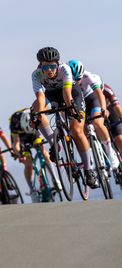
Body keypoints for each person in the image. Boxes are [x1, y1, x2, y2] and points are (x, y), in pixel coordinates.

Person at [31, 47, 98, 188]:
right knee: (37, 108)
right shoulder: (36, 75)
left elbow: (67, 94)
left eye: (52, 66)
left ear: (58, 64)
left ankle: (89, 171)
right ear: (40, 66)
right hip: (52, 95)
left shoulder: (65, 69)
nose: (49, 70)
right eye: (45, 66)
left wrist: (73, 111)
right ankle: (54, 144)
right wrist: (38, 115)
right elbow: (41, 97)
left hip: (72, 94)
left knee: (77, 132)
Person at [67, 61, 119, 169]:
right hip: (78, 102)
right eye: (74, 79)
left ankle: (110, 152)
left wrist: (103, 108)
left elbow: (99, 93)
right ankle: (90, 158)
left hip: (91, 99)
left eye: (79, 78)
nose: (78, 82)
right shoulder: (65, 79)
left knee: (98, 123)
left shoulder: (87, 76)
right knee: (82, 132)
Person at [9, 108, 60, 203]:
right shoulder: (14, 120)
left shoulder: (34, 115)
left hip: (33, 133)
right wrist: (20, 154)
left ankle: (55, 178)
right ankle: (32, 191)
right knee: (28, 164)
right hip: (21, 138)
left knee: (43, 151)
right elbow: (16, 144)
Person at [93, 76, 122, 156]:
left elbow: (116, 105)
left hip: (110, 109)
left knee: (119, 138)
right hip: (97, 111)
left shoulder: (107, 89)